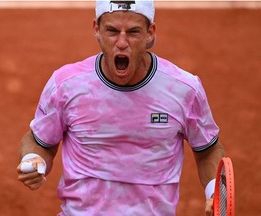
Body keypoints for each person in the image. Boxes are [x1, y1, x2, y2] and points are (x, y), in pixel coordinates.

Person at [17, 1, 225, 215]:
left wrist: (215, 193)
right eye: (112, 31)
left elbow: (208, 151)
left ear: (150, 33)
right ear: (96, 29)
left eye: (133, 32)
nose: (122, 43)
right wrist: (34, 160)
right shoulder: (66, 85)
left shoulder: (184, 90)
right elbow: (38, 140)